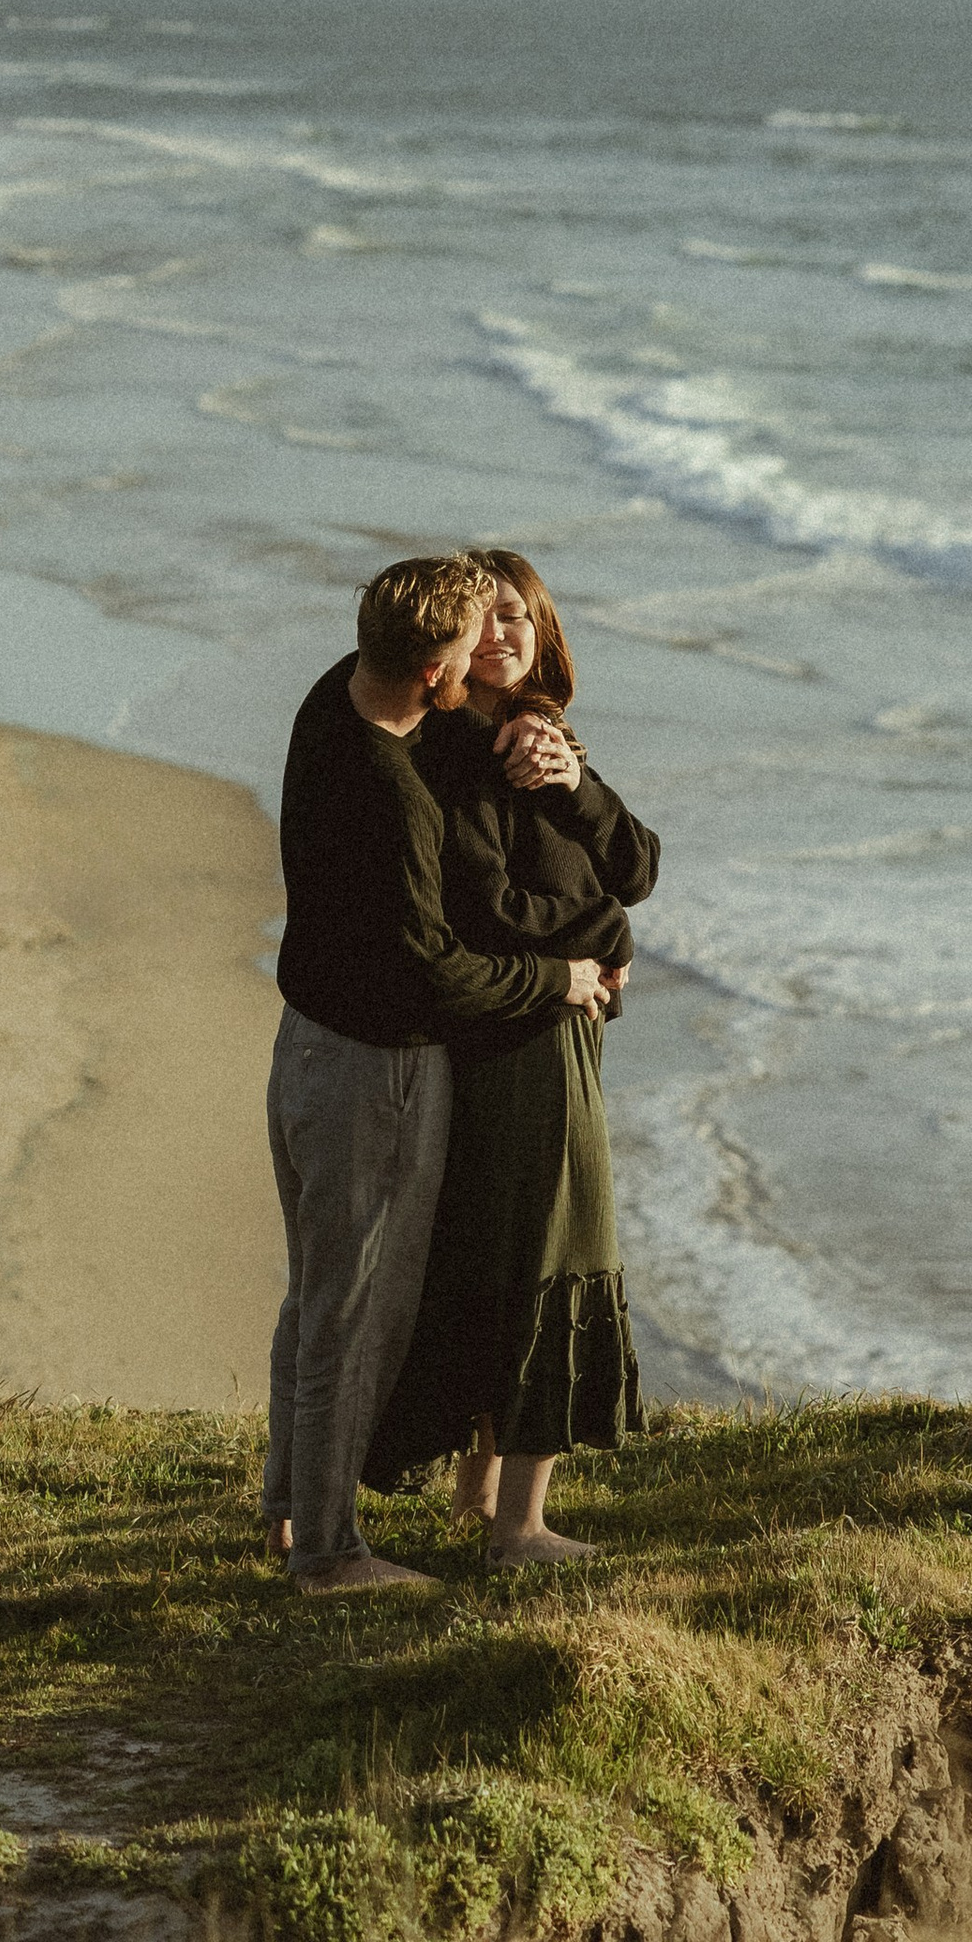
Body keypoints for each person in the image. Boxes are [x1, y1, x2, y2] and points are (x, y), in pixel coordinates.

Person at [266, 554, 608, 1593]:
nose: (478, 665)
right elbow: (434, 968)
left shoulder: (337, 695)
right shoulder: (389, 795)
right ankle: (330, 1555)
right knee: (354, 1315)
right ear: (430, 672)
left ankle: (288, 1511)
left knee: (315, 1298)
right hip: (377, 1072)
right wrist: (561, 976)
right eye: (465, 654)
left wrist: (553, 756)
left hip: (305, 1046)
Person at [363, 548, 658, 1563]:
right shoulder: (451, 752)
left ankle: (481, 1498)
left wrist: (574, 787)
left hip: (559, 1027)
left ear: (544, 631)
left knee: (511, 1253)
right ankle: (519, 1528)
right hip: (519, 1036)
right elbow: (484, 909)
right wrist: (605, 936)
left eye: (518, 616)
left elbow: (637, 863)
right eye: (483, 618)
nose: (501, 633)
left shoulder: (540, 737)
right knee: (556, 1252)